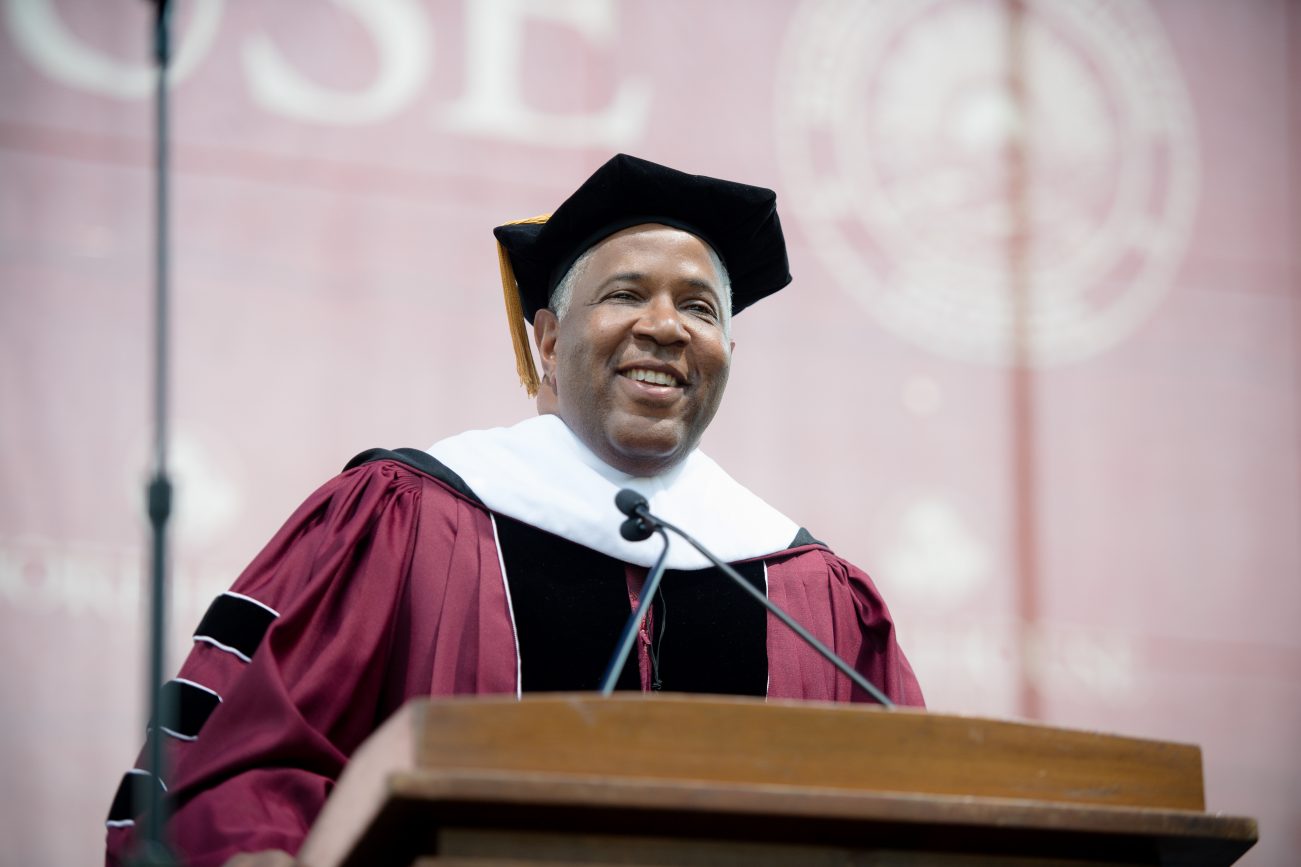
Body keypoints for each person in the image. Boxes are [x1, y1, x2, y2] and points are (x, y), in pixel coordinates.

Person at [105, 154, 924, 867]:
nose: (665, 326)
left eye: (701, 308)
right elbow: (244, 761)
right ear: (544, 341)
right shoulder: (405, 516)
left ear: (727, 356)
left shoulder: (814, 594)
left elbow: (919, 810)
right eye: (625, 293)